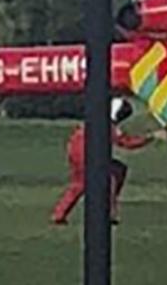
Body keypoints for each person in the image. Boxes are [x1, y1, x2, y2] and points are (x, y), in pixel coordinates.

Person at [51, 96, 150, 226]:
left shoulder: (95, 120)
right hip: (88, 154)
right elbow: (127, 143)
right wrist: (149, 138)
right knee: (111, 176)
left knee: (81, 183)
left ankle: (60, 213)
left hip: (75, 150)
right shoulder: (108, 125)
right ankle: (107, 211)